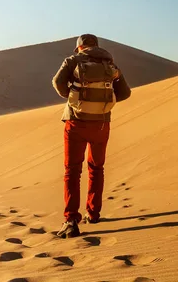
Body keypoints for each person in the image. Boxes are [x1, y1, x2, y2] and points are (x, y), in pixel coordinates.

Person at [52, 34, 131, 238]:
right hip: (101, 124)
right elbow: (124, 93)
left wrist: (73, 95)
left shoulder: (72, 61)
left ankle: (71, 219)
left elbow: (57, 82)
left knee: (72, 171)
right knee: (96, 168)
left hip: (76, 121)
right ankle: (93, 213)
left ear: (79, 47)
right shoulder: (109, 63)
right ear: (96, 46)